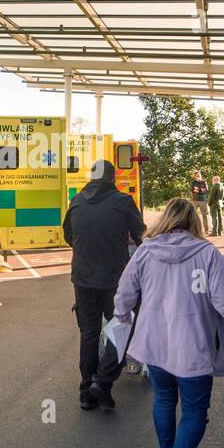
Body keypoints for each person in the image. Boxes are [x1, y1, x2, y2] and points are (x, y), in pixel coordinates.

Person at [113, 197, 224, 448]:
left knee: (163, 400)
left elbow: (124, 295)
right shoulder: (207, 255)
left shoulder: (146, 252)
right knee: (194, 411)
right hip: (194, 349)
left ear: (165, 219)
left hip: (155, 348)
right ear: (195, 221)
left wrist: (121, 319)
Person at [63, 158, 146, 411]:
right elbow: (140, 233)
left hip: (83, 278)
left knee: (88, 333)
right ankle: (104, 381)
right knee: (122, 326)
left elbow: (68, 235)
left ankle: (86, 391)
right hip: (115, 279)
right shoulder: (122, 202)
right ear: (112, 179)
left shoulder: (76, 201)